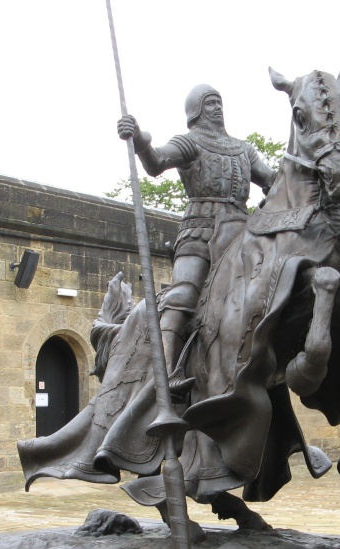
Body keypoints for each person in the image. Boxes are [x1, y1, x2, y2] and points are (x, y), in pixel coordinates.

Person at [117, 85, 276, 388]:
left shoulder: (243, 149)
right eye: (210, 103)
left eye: (219, 102)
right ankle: (167, 374)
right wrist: (139, 140)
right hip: (200, 230)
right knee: (184, 294)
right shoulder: (190, 142)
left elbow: (270, 178)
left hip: (243, 233)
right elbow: (156, 161)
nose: (218, 108)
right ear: (196, 111)